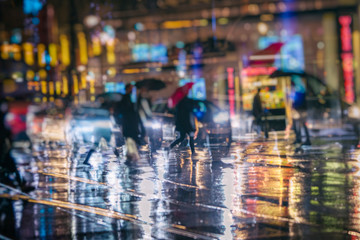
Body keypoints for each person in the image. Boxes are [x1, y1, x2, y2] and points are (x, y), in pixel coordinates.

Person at [290, 81, 311, 146]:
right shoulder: (299, 91)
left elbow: (299, 101)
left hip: (300, 110)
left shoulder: (299, 91)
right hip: (300, 110)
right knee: (298, 124)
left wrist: (294, 105)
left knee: (301, 124)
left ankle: (304, 139)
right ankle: (300, 138)